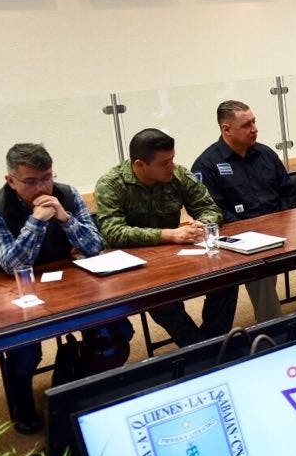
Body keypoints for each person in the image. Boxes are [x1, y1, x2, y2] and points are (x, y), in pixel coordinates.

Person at [0, 144, 111, 434]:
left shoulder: (67, 194)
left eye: (47, 178)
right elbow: (14, 265)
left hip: (65, 282)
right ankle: (23, 409)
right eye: (30, 181)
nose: (41, 188)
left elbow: (95, 247)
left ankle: (72, 387)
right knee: (25, 353)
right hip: (12, 292)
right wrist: (36, 221)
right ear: (11, 180)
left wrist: (65, 218)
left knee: (114, 331)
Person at [96, 129, 239, 347]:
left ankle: (212, 344)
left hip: (174, 256)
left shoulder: (178, 175)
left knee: (226, 278)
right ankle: (201, 350)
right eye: (164, 163)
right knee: (161, 299)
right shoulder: (111, 184)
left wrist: (203, 222)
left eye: (172, 159)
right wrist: (169, 234)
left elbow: (209, 207)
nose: (171, 166)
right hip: (133, 264)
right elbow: (113, 232)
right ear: (140, 165)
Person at [192, 100, 296, 322]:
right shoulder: (206, 165)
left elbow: (288, 191)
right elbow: (213, 210)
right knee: (260, 267)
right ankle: (274, 327)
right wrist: (252, 230)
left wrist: (281, 219)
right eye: (246, 125)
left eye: (254, 122)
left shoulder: (266, 154)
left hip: (280, 228)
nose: (254, 129)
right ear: (226, 129)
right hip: (239, 239)